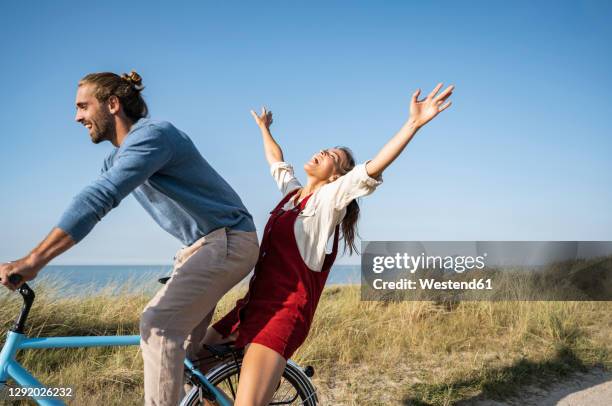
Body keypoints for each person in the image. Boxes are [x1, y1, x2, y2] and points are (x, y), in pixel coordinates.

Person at [0, 71, 260, 406]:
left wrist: (34, 260)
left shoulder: (153, 135)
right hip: (202, 247)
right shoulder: (118, 156)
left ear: (112, 104)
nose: (76, 117)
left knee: (157, 327)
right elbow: (90, 198)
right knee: (182, 358)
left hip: (227, 241)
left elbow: (100, 197)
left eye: (83, 107)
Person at [200, 83, 454, 405]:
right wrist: (264, 129)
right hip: (250, 309)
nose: (322, 152)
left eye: (332, 156)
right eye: (326, 148)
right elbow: (277, 162)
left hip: (282, 316)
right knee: (188, 365)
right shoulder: (292, 197)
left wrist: (413, 124)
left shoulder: (328, 202)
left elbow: (373, 167)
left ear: (337, 176)